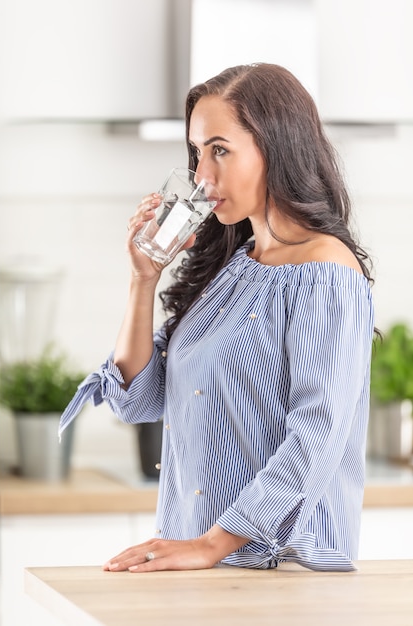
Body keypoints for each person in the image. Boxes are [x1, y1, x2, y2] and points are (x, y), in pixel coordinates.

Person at [59, 63, 375, 573]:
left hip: (282, 574)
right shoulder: (235, 268)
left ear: (277, 147)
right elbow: (139, 401)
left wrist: (211, 544)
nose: (202, 176)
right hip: (200, 564)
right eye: (196, 152)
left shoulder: (325, 272)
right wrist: (144, 279)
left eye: (220, 150)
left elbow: (317, 436)